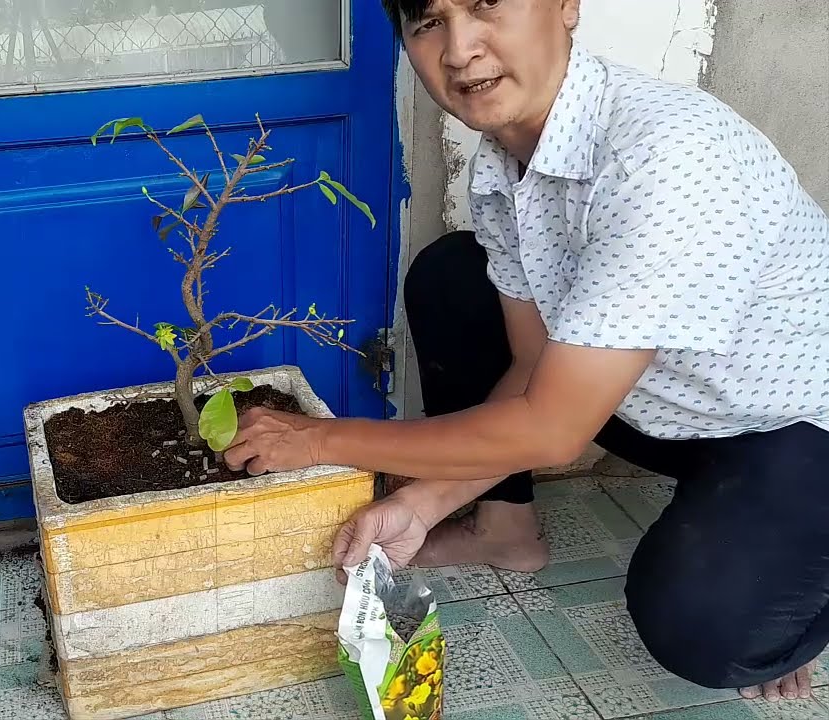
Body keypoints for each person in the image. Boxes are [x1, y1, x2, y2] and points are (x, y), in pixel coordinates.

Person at [222, 0, 829, 704]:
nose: (458, 50)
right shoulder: (503, 165)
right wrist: (423, 505)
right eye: (427, 24)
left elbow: (553, 429)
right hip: (666, 402)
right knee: (455, 276)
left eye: (485, 7)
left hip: (793, 421)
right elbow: (535, 375)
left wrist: (321, 440)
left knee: (708, 630)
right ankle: (505, 532)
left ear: (566, 7)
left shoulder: (665, 156)